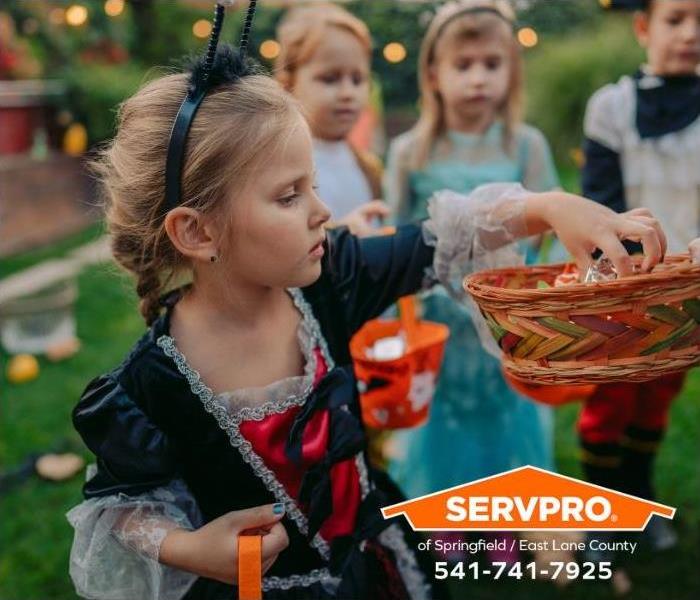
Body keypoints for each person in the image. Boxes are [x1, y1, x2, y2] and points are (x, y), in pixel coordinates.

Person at [65, 11, 666, 600]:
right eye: (289, 195)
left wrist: (553, 207)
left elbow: (442, 240)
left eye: (314, 186)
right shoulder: (149, 385)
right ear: (197, 233)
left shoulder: (331, 282)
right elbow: (123, 507)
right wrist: (187, 549)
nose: (321, 212)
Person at [384, 0, 559, 562]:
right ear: (433, 73)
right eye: (464, 64)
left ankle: (507, 514)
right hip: (438, 313)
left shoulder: (524, 145)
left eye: (492, 63)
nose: (479, 77)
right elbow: (396, 231)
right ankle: (445, 515)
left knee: (502, 408)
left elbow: (547, 221)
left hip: (504, 313)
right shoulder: (411, 149)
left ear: (512, 70)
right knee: (444, 410)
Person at [579, 0, 700, 552]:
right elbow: (602, 199)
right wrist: (625, 273)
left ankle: (642, 498)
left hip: (688, 287)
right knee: (612, 396)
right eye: (676, 19)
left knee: (658, 395)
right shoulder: (612, 107)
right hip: (625, 283)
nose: (690, 33)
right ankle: (602, 510)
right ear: (644, 27)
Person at [274, 2, 388, 237]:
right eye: (330, 78)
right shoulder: (279, 166)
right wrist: (339, 236)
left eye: (357, 80)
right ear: (289, 84)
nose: (348, 93)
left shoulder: (368, 167)